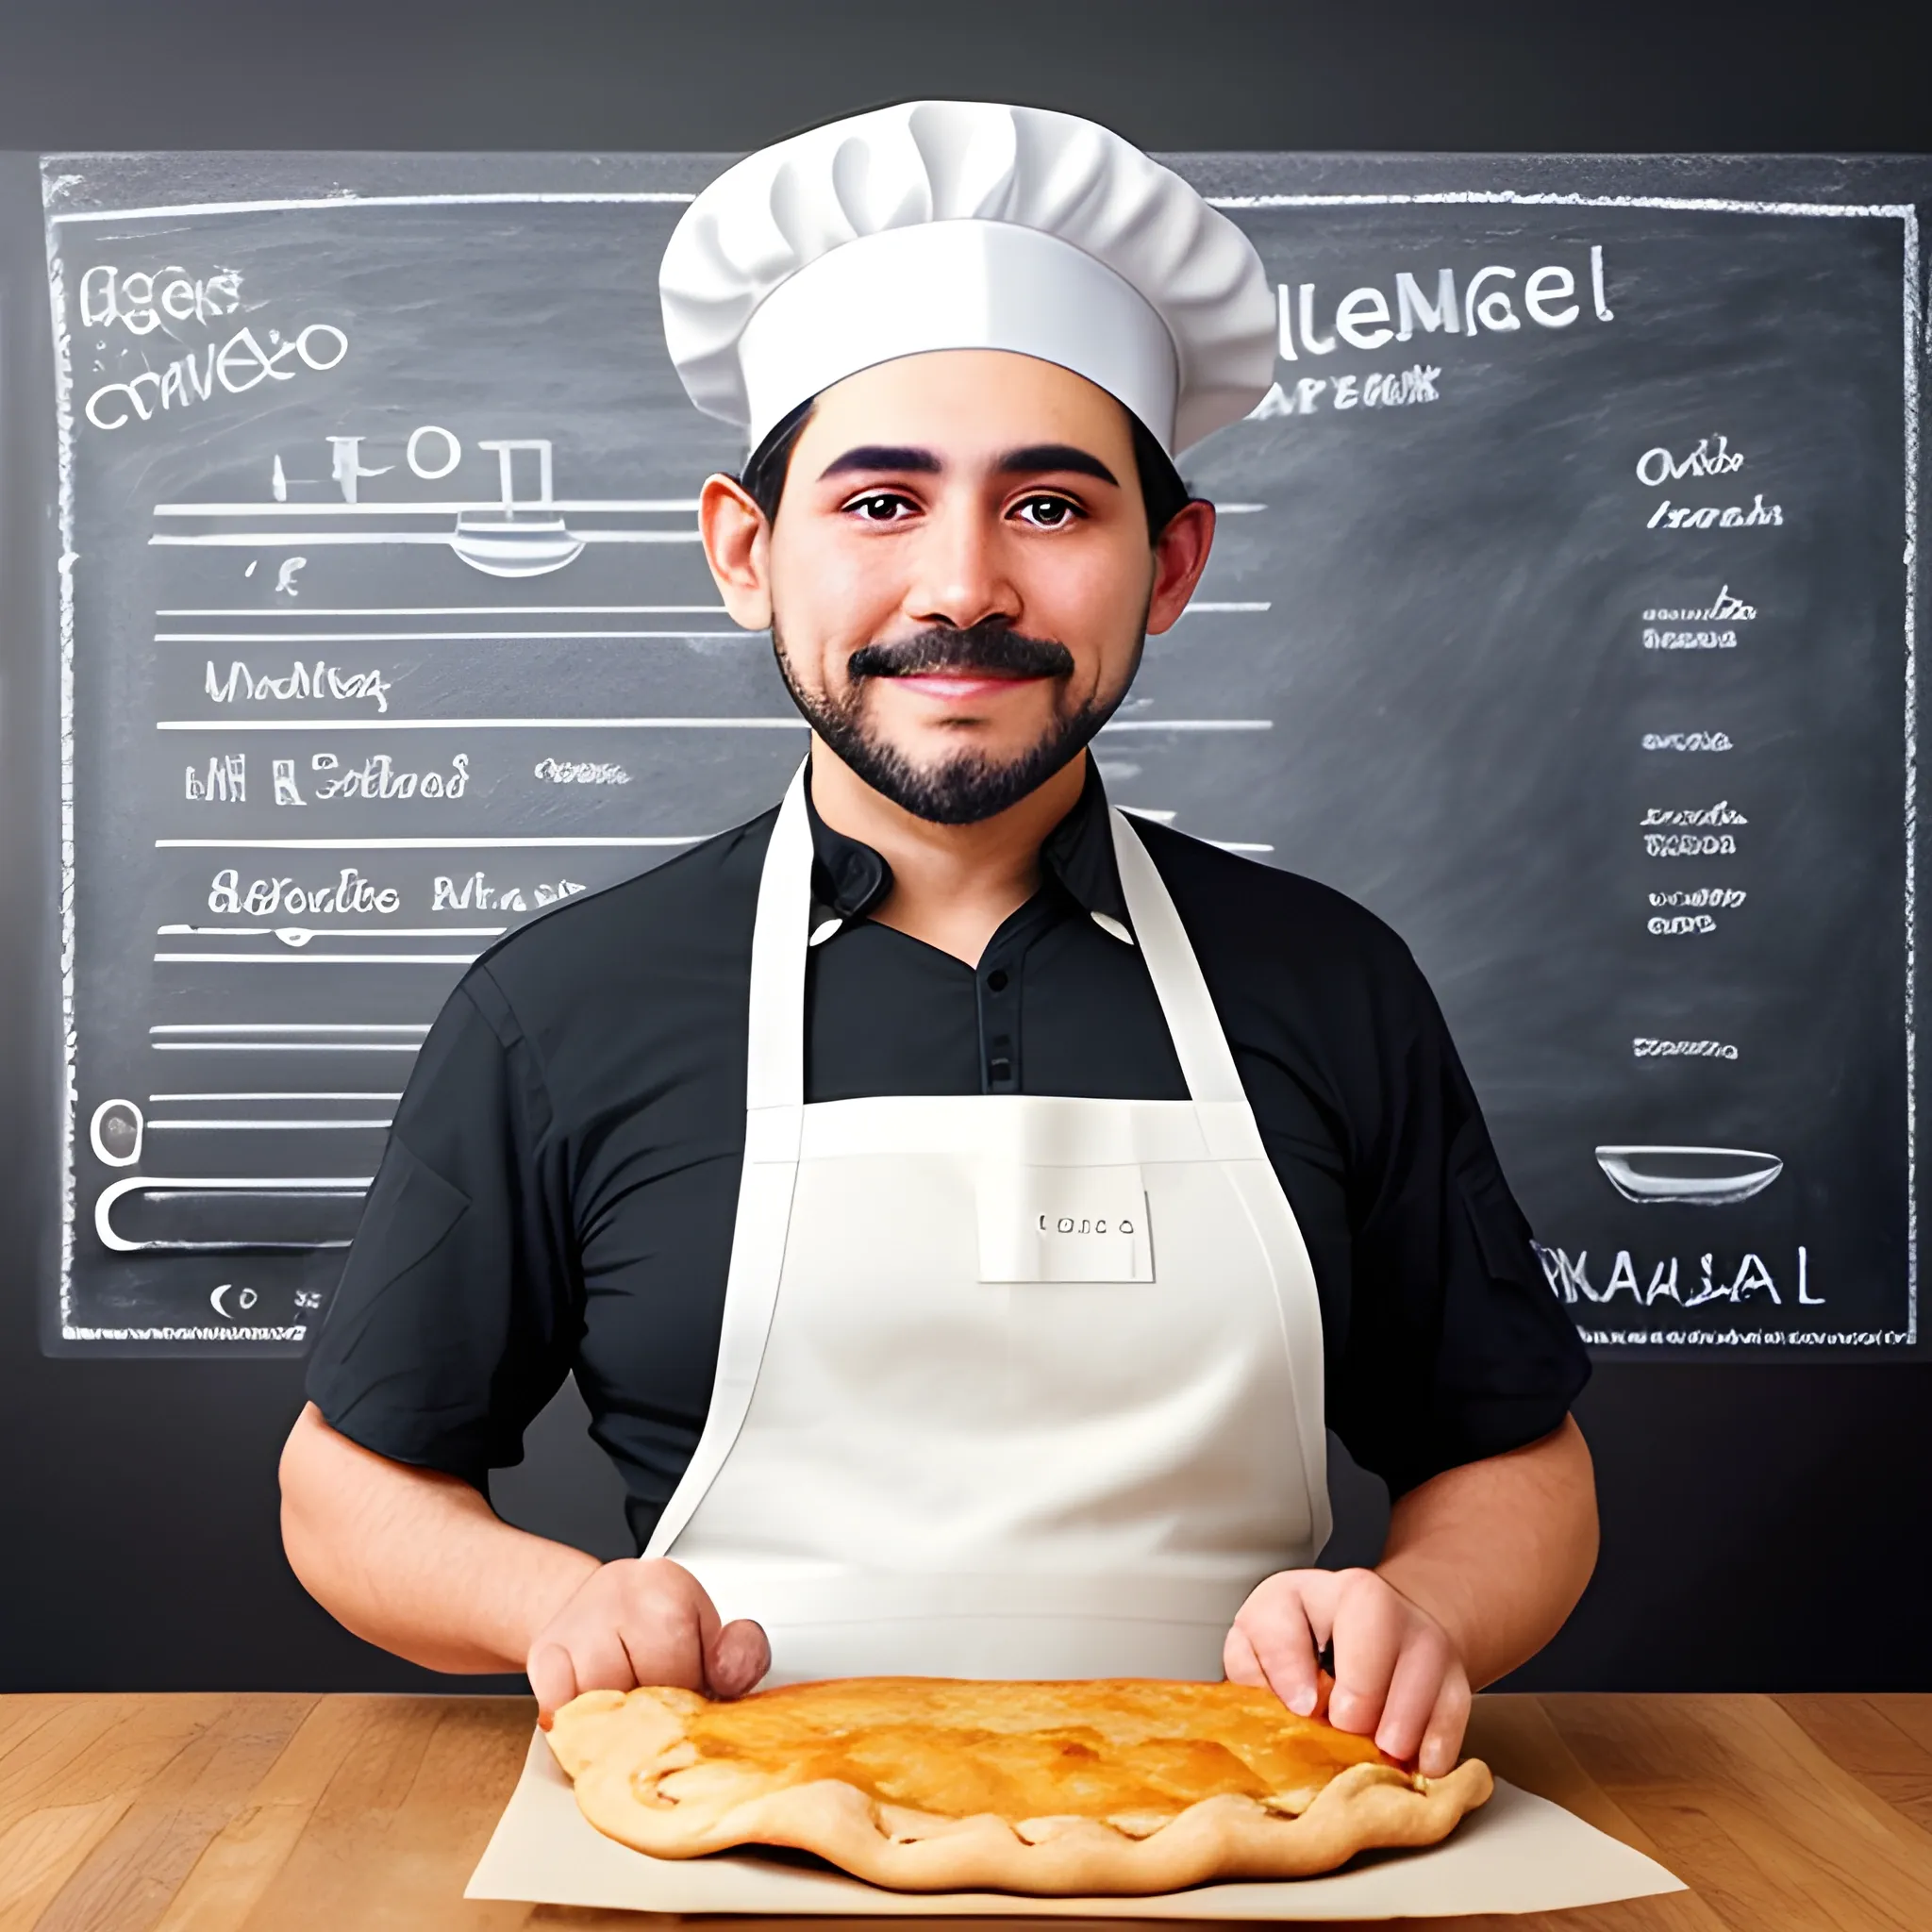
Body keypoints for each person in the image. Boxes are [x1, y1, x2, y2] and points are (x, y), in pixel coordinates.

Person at [280, 100, 1596, 1780]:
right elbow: (346, 1484)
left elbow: (1517, 1466)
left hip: (1255, 1831)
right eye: (881, 502)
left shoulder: (1331, 984)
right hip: (727, 1828)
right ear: (746, 552)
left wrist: (1434, 1615)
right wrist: (548, 1600)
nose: (962, 589)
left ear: (1171, 561)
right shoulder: (563, 1006)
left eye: (1050, 508)